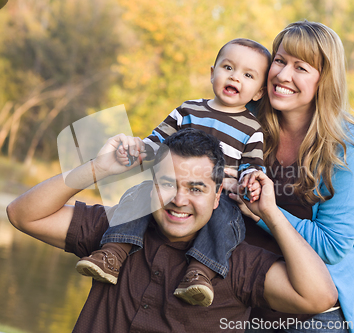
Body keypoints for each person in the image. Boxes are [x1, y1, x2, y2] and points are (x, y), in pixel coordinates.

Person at [6, 128, 337, 333]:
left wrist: (271, 213)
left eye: (196, 188)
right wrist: (98, 168)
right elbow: (23, 214)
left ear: (217, 193)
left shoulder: (236, 264)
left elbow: (319, 296)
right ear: (152, 185)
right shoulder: (118, 230)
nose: (179, 200)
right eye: (167, 184)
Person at [75, 38, 272, 307]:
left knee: (226, 220)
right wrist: (135, 150)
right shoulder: (188, 110)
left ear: (259, 92)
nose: (235, 77)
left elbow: (252, 167)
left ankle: (200, 273)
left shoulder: (252, 129)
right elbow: (156, 141)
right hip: (171, 187)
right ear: (212, 72)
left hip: (218, 196)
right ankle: (112, 253)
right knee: (139, 194)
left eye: (248, 75)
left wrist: (249, 182)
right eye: (228, 68)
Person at [231, 21, 354, 333]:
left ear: (324, 80)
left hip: (311, 306)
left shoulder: (342, 145)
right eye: (279, 61)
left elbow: (333, 246)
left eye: (300, 67)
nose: (283, 75)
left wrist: (262, 213)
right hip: (244, 282)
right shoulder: (244, 116)